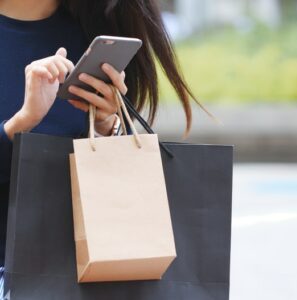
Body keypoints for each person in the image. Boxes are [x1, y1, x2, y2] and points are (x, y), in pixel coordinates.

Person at [0, 0, 203, 292]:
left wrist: (106, 125)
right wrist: (22, 122)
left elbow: (109, 179)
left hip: (74, 276)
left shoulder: (94, 36)